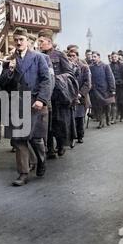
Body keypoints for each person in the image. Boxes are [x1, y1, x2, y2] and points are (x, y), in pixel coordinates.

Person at [0, 27, 52, 186]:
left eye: (21, 39)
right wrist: (10, 69)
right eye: (16, 40)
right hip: (17, 103)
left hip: (34, 103)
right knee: (19, 139)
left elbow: (46, 80)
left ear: (28, 41)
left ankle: (41, 161)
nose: (18, 42)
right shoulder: (10, 60)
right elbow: (2, 83)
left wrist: (42, 99)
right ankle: (23, 173)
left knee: (36, 139)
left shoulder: (39, 58)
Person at [38, 29, 77, 158]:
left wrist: (56, 78)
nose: (39, 44)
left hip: (59, 95)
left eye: (41, 41)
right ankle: (49, 149)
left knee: (59, 122)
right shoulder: (38, 56)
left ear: (49, 41)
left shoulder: (59, 55)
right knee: (47, 124)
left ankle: (60, 145)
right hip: (45, 95)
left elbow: (69, 73)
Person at [68, 50, 91, 143]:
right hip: (69, 96)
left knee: (80, 117)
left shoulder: (84, 68)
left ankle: (80, 135)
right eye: (69, 56)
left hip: (80, 97)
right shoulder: (66, 67)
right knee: (71, 117)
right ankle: (72, 136)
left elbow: (87, 83)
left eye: (73, 55)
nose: (71, 57)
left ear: (77, 56)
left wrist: (80, 93)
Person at [89, 52, 116, 129]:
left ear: (99, 57)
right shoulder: (90, 67)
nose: (93, 58)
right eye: (92, 57)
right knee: (99, 106)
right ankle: (101, 121)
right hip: (95, 90)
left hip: (105, 89)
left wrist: (112, 89)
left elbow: (110, 78)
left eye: (94, 57)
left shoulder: (105, 66)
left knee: (107, 105)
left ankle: (107, 118)